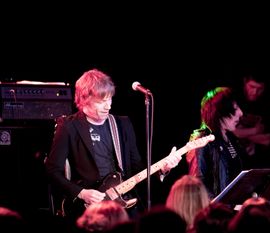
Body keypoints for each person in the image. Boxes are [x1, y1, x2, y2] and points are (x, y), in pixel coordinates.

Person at [45, 68, 182, 220]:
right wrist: (82, 193)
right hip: (89, 209)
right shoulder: (69, 126)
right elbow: (52, 171)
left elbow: (137, 168)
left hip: (124, 207)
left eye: (110, 99)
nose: (108, 106)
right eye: (102, 101)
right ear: (85, 99)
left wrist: (162, 169)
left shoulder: (122, 124)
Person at [186, 87, 247, 200]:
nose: (240, 113)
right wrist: (218, 206)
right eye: (234, 109)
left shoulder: (231, 139)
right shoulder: (202, 139)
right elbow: (197, 184)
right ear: (219, 112)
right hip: (215, 214)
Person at [233, 73, 270, 168]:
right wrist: (255, 131)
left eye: (260, 89)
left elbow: (267, 139)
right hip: (233, 160)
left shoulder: (267, 104)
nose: (255, 92)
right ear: (245, 82)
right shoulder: (233, 99)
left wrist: (241, 134)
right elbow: (231, 132)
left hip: (255, 162)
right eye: (252, 86)